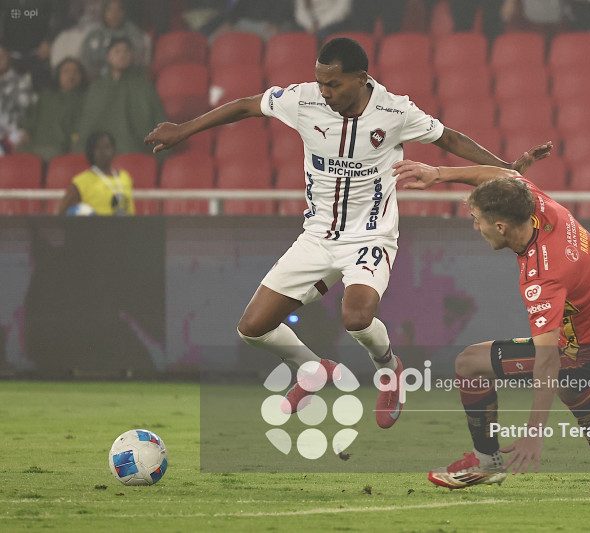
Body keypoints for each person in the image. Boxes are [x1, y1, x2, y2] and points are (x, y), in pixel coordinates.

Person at [145, 37, 549, 429]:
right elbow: (247, 106)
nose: (323, 92)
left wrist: (506, 169)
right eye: (320, 81)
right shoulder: (302, 99)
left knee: (356, 318)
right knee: (252, 328)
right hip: (317, 236)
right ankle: (311, 369)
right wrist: (183, 130)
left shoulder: (395, 111)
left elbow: (451, 138)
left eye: (333, 83)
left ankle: (389, 371)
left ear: (361, 78)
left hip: (371, 236)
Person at [392, 157, 590, 493]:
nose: (475, 227)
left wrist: (534, 433)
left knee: (470, 364)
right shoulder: (534, 203)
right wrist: (439, 174)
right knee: (572, 386)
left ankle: (486, 461)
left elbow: (547, 359)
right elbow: (503, 175)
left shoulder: (542, 275)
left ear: (501, 227)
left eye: (477, 220)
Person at [74, 37, 165, 155]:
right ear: (108, 56)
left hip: (133, 152)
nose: (122, 55)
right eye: (117, 51)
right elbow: (86, 123)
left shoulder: (143, 86)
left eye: (126, 51)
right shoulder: (97, 87)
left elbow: (158, 120)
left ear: (132, 56)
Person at [17, 57, 88, 161]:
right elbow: (28, 123)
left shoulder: (85, 99)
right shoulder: (45, 97)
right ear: (58, 75)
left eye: (76, 72)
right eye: (66, 71)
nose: (71, 75)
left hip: (62, 152)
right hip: (34, 149)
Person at [57, 130, 135, 216]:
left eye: (107, 147)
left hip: (126, 227)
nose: (103, 152)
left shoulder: (125, 177)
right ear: (91, 152)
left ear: (114, 150)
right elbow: (61, 213)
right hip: (97, 228)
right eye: (98, 148)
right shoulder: (81, 182)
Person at [79, 0, 150, 80]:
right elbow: (85, 61)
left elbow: (138, 59)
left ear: (123, 12)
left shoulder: (132, 32)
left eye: (118, 10)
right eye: (110, 10)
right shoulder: (94, 34)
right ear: (103, 12)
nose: (114, 14)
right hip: (96, 80)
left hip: (126, 78)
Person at [0, 42, 35, 156]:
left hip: (11, 136)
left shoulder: (21, 82)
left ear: (9, 56)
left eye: (2, 56)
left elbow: (25, 114)